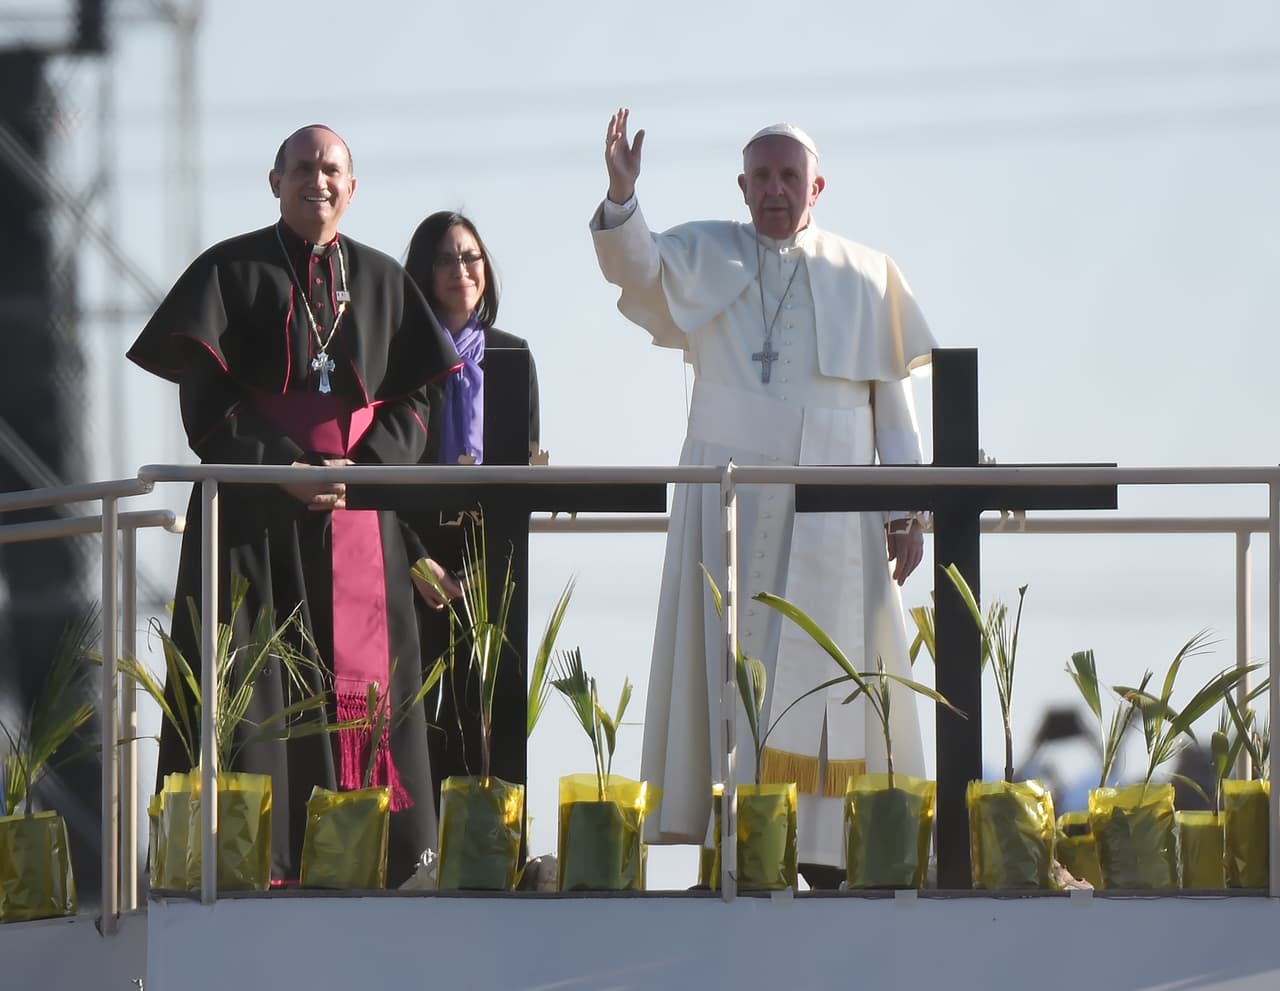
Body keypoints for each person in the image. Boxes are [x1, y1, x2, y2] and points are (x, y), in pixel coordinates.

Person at [590, 108, 937, 888]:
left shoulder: (867, 272)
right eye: (762, 177)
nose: (775, 190)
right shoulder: (708, 249)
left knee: (831, 670)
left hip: (836, 500)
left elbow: (893, 401)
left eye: (789, 176)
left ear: (816, 185)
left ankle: (828, 851)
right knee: (726, 662)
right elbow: (637, 266)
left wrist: (908, 509)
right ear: (741, 186)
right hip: (729, 493)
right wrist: (621, 195)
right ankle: (736, 845)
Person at [126, 124, 460, 886]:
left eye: (333, 169)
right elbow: (206, 402)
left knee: (366, 696)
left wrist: (358, 475)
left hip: (358, 522)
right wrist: (284, 468)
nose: (319, 180)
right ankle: (252, 865)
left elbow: (414, 402)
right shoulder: (232, 269)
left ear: (353, 185)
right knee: (251, 691)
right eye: (303, 167)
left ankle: (383, 862)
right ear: (273, 179)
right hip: (251, 516)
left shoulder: (380, 280)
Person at [399, 211, 540, 809]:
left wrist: (486, 565)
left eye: (472, 257)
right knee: (418, 708)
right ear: (423, 273)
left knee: (490, 706)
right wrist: (417, 560)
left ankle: (492, 845)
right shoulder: (400, 359)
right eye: (447, 258)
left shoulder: (513, 356)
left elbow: (526, 465)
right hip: (418, 561)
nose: (463, 269)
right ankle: (420, 850)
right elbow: (384, 469)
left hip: (491, 561)